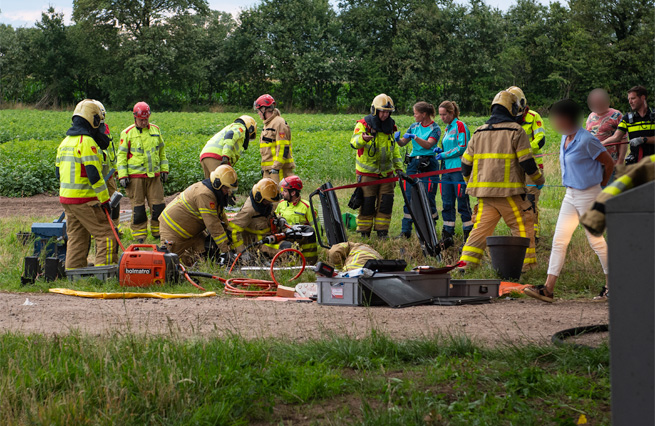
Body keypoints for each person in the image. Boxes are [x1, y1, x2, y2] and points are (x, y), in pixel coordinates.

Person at [525, 99, 614, 303]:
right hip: (570, 195)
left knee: (597, 242)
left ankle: (613, 286)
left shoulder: (586, 140)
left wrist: (600, 186)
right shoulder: (566, 137)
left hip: (589, 194)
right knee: (559, 241)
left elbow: (608, 162)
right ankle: (548, 289)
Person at [458, 90, 544, 270]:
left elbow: (465, 165)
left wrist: (470, 182)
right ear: (512, 109)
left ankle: (465, 265)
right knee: (523, 225)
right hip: (510, 194)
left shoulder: (479, 132)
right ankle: (527, 268)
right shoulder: (516, 131)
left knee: (480, 231)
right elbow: (526, 161)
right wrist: (538, 179)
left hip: (485, 196)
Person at [55, 99, 117, 270]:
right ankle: (105, 272)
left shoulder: (65, 142)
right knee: (106, 234)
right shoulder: (86, 142)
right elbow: (94, 176)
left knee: (77, 236)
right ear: (93, 120)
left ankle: (74, 270)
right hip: (85, 199)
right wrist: (105, 200)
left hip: (67, 199)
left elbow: (57, 173)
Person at [159, 165, 238, 265]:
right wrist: (226, 250)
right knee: (167, 265)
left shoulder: (214, 193)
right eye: (226, 188)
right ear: (218, 183)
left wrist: (231, 236)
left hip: (193, 233)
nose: (228, 192)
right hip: (174, 230)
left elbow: (221, 216)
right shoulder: (205, 194)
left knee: (205, 257)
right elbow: (213, 224)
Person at [350, 94, 404, 239]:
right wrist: (362, 138)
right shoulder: (363, 124)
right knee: (367, 204)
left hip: (387, 174)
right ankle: (364, 232)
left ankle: (382, 232)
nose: (385, 115)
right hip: (367, 174)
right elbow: (354, 142)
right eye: (382, 111)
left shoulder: (391, 126)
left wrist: (399, 167)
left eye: (388, 112)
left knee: (386, 204)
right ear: (375, 110)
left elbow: (395, 149)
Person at [117, 102, 169, 243]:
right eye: (141, 120)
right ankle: (139, 237)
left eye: (146, 119)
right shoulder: (127, 133)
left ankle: (158, 233)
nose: (144, 122)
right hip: (135, 178)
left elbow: (162, 152)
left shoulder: (155, 130)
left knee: (159, 206)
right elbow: (121, 156)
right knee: (138, 209)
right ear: (135, 117)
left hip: (154, 177)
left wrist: (164, 169)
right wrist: (122, 175)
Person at [396, 101, 441, 239]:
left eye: (416, 113)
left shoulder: (435, 129)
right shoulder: (414, 126)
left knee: (428, 196)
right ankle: (406, 231)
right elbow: (404, 142)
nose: (414, 116)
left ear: (424, 114)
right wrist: (398, 139)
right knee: (409, 196)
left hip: (428, 163)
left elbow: (428, 145)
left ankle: (430, 228)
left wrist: (415, 137)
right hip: (414, 164)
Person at [507, 86, 546, 243]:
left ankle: (532, 235)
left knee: (531, 200)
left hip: (532, 166)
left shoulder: (534, 117)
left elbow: (541, 139)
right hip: (513, 167)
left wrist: (524, 149)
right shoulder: (506, 118)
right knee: (515, 200)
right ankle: (518, 233)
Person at [436, 100, 472, 242]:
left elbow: (462, 146)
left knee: (462, 202)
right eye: (440, 115)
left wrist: (444, 154)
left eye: (444, 114)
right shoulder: (447, 129)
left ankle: (468, 232)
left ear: (451, 113)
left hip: (458, 170)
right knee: (447, 202)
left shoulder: (460, 126)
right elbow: (450, 146)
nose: (442, 118)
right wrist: (441, 150)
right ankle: (448, 233)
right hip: (446, 171)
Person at [602, 86, 655, 165]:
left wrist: (643, 139)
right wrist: (599, 144)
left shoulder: (653, 115)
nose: (630, 102)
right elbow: (616, 137)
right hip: (635, 164)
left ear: (643, 97)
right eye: (629, 99)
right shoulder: (628, 118)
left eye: (633, 98)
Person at [274, 175, 318, 263]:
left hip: (303, 243)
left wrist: (318, 246)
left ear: (293, 193)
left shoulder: (306, 206)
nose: (282, 193)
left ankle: (308, 264)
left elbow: (317, 228)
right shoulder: (281, 204)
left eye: (285, 191)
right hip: (285, 242)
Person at [253, 94, 294, 183]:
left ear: (264, 109)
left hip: (279, 170)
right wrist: (265, 169)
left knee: (281, 195)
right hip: (269, 170)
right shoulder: (268, 124)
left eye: (259, 111)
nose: (258, 113)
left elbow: (283, 148)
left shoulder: (279, 123)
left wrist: (276, 167)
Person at [92, 99, 121, 228]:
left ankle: (115, 227)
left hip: (108, 174)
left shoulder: (104, 129)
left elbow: (110, 152)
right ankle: (100, 229)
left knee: (115, 201)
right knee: (97, 203)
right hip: (95, 174)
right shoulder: (88, 133)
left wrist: (115, 170)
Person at [586, 88, 627, 167]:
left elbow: (624, 139)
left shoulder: (616, 115)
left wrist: (620, 161)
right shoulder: (591, 116)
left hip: (612, 162)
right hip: (594, 163)